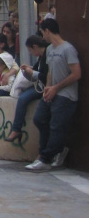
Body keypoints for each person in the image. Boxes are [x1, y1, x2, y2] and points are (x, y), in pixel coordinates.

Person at [26, 19, 81, 171]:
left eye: (43, 32)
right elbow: (50, 70)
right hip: (52, 92)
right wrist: (48, 87)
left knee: (56, 126)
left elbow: (76, 74)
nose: (43, 36)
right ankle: (54, 149)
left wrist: (56, 88)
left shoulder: (68, 49)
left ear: (48, 31)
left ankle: (45, 158)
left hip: (65, 95)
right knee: (39, 119)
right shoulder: (50, 49)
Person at [4, 35, 47, 144]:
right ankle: (16, 129)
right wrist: (29, 69)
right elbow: (37, 69)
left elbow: (44, 75)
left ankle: (16, 130)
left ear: (35, 47)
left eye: (30, 50)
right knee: (22, 99)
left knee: (24, 99)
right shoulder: (41, 57)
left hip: (44, 87)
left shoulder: (47, 56)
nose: (31, 53)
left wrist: (32, 72)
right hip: (40, 86)